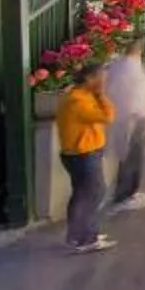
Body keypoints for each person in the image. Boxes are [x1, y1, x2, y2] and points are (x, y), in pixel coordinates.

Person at [54, 72, 116, 253]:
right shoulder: (78, 102)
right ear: (89, 79)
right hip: (83, 154)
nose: (104, 81)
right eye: (101, 78)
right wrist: (101, 95)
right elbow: (108, 116)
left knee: (82, 194)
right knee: (94, 193)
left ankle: (77, 235)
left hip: (82, 152)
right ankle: (87, 238)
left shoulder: (79, 96)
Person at [102, 48, 145, 212]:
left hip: (135, 119)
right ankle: (124, 195)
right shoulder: (125, 69)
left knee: (135, 157)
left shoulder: (127, 67)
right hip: (131, 120)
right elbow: (128, 96)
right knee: (131, 157)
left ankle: (130, 192)